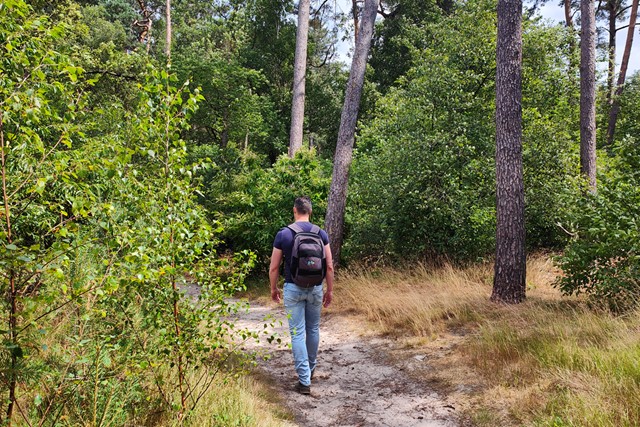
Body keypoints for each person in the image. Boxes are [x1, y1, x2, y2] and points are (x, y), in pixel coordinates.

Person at [269, 196, 334, 395]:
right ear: (310, 212)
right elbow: (329, 266)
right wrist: (329, 290)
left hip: (293, 287)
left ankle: (304, 381)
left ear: (294, 210)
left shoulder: (284, 234)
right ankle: (311, 370)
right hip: (315, 287)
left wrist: (274, 289)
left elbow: (274, 267)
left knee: (297, 332)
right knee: (313, 329)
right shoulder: (321, 234)